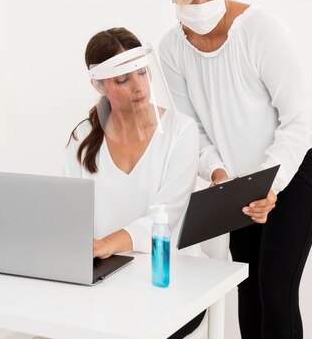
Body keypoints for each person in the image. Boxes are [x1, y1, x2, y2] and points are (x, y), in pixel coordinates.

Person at [159, 0, 312, 339]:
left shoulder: (262, 31)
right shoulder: (172, 49)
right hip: (238, 180)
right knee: (248, 289)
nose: (201, 7)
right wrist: (219, 176)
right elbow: (192, 129)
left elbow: (296, 119)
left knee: (276, 292)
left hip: (299, 164)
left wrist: (270, 185)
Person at [65, 27, 207, 338]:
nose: (138, 86)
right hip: (106, 278)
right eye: (123, 79)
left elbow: (166, 217)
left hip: (169, 278)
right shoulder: (82, 139)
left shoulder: (180, 131)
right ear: (100, 85)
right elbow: (71, 215)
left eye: (142, 73)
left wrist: (105, 244)